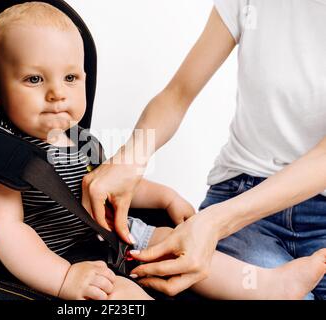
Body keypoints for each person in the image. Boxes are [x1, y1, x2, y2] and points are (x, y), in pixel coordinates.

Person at [0, 2, 326, 300]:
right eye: (34, 79)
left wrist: (164, 196)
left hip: (117, 238)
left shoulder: (77, 138)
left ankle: (269, 285)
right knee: (123, 297)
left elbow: (108, 184)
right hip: (66, 258)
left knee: (176, 245)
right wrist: (64, 278)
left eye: (71, 79)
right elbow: (5, 231)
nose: (56, 93)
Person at [81, 0, 326, 299]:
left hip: (238, 214)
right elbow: (178, 94)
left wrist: (214, 222)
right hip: (242, 195)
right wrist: (130, 158)